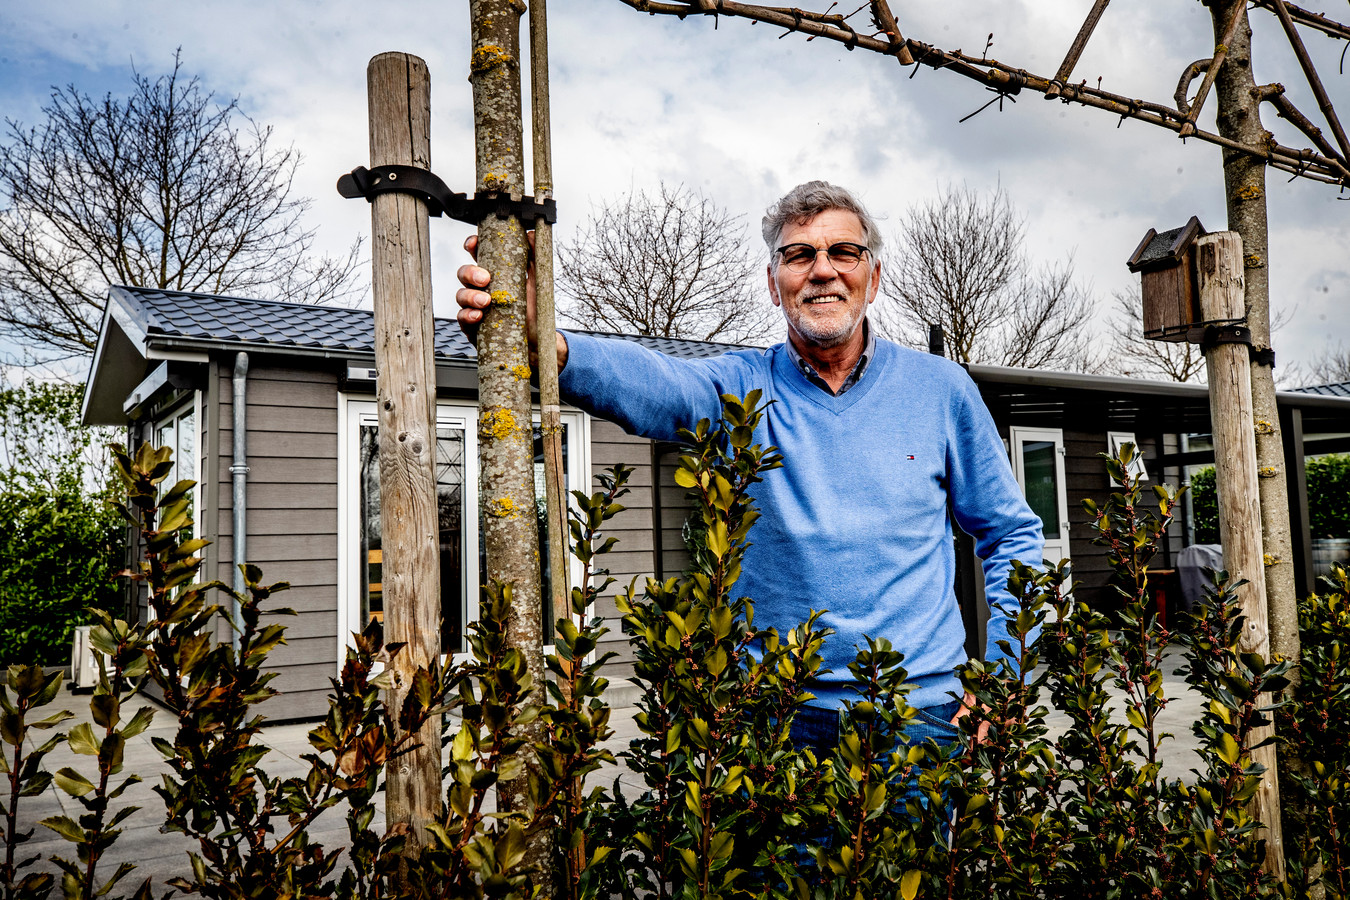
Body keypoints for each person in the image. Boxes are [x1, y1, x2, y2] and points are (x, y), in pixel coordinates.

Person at [456, 180, 1044, 754]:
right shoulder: (740, 386)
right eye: (798, 255)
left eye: (844, 252)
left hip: (919, 714)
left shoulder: (941, 390)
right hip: (774, 716)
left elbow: (1010, 532)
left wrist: (1005, 675)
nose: (822, 270)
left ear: (874, 276)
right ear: (773, 283)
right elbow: (662, 385)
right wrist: (553, 344)